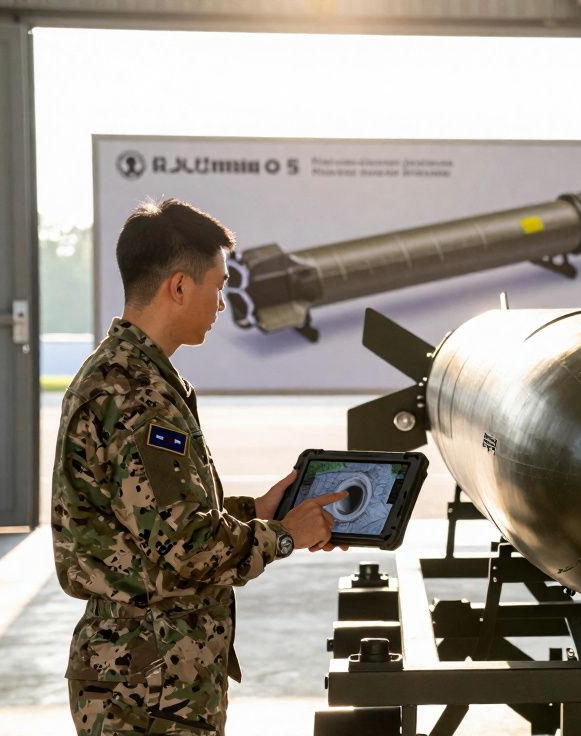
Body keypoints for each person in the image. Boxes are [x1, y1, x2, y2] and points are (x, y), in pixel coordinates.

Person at [51, 199, 348, 735]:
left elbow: (149, 525)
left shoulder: (132, 378)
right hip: (147, 690)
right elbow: (186, 548)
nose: (221, 302)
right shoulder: (136, 395)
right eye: (219, 284)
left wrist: (255, 510)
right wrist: (283, 535)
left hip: (152, 676)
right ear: (180, 286)